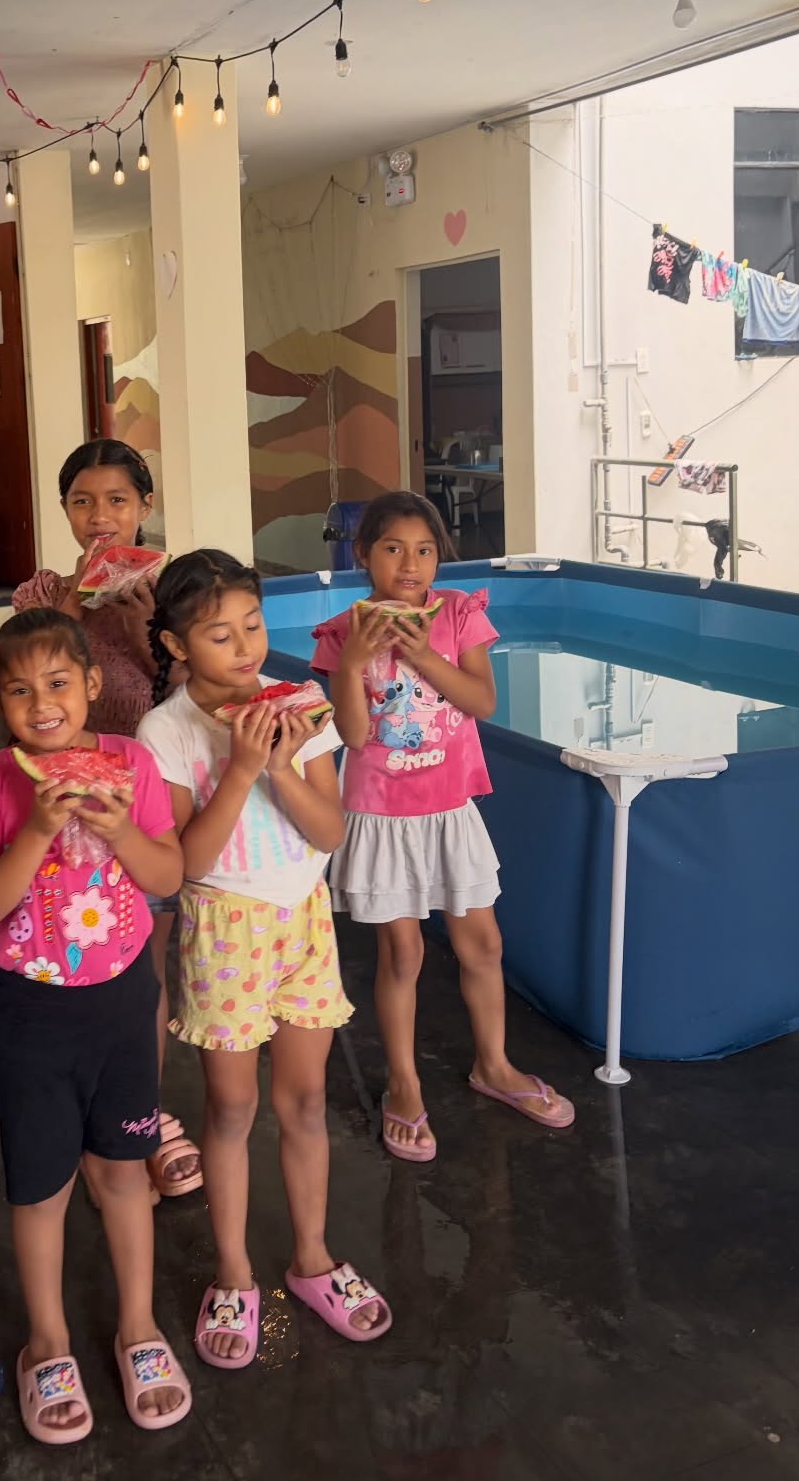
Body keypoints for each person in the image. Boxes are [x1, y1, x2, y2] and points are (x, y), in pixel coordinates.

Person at [138, 549, 392, 1370]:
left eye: (252, 625)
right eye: (219, 634)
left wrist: (280, 763)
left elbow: (330, 832)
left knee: (308, 1100)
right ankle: (234, 1274)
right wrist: (241, 768)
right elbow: (189, 863)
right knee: (230, 1111)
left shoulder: (305, 703)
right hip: (222, 927)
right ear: (178, 646)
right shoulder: (165, 730)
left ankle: (312, 1256)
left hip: (303, 921)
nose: (246, 648)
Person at [0, 609, 191, 1445]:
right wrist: (41, 826)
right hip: (30, 1014)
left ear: (93, 685)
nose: (42, 704)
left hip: (122, 1004)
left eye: (59, 683)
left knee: (126, 1174)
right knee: (43, 1186)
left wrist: (118, 823)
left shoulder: (131, 762)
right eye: (19, 690)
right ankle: (46, 1340)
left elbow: (169, 873)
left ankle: (138, 1326)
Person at [311, 491, 574, 1163]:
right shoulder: (342, 633)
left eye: (424, 550)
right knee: (403, 955)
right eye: (393, 548)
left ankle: (495, 1065)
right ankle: (403, 1083)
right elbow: (351, 732)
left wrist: (424, 654)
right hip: (381, 814)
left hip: (450, 809)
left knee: (481, 943)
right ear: (363, 553)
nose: (410, 563)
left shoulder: (458, 614)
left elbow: (481, 700)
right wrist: (350, 664)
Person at [12, 441, 200, 1199]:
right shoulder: (38, 591)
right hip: (60, 819)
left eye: (117, 501)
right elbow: (25, 682)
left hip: (144, 807)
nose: (100, 518)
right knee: (75, 971)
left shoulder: (176, 589)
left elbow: (196, 695)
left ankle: (138, 1119)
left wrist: (157, 631)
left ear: (145, 507)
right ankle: (91, 1121)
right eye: (82, 502)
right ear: (63, 511)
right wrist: (73, 611)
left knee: (143, 979)